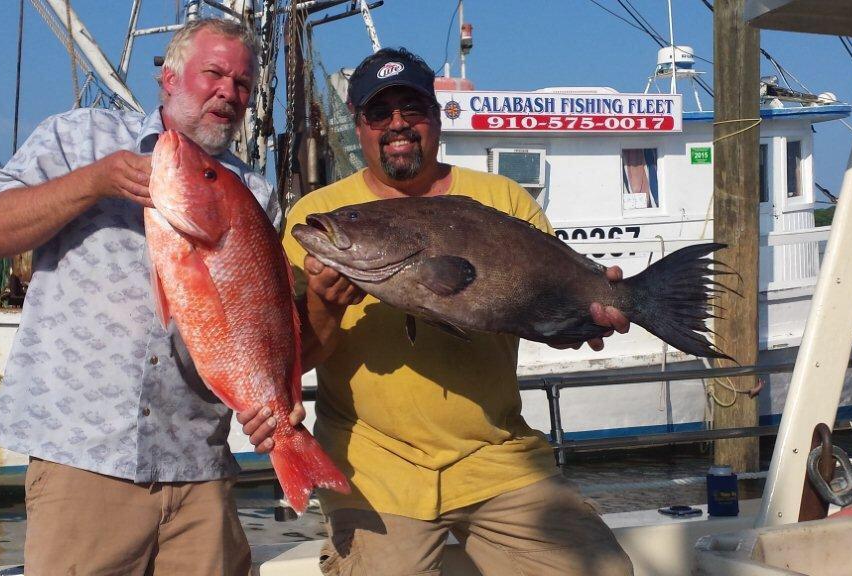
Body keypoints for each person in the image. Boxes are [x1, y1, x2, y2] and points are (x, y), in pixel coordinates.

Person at [244, 47, 636, 575]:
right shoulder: (317, 218)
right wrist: (325, 308)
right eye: (379, 113)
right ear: (359, 125)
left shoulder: (503, 200)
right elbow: (294, 360)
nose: (397, 125)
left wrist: (584, 317)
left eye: (414, 109)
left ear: (437, 116)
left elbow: (546, 319)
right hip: (374, 467)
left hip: (499, 458)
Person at [0, 18, 276, 576]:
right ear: (170, 78)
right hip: (85, 461)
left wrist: (272, 398)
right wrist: (94, 182)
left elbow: (259, 323)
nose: (228, 92)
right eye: (213, 74)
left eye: (242, 83)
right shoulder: (78, 137)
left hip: (199, 468)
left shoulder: (254, 193)